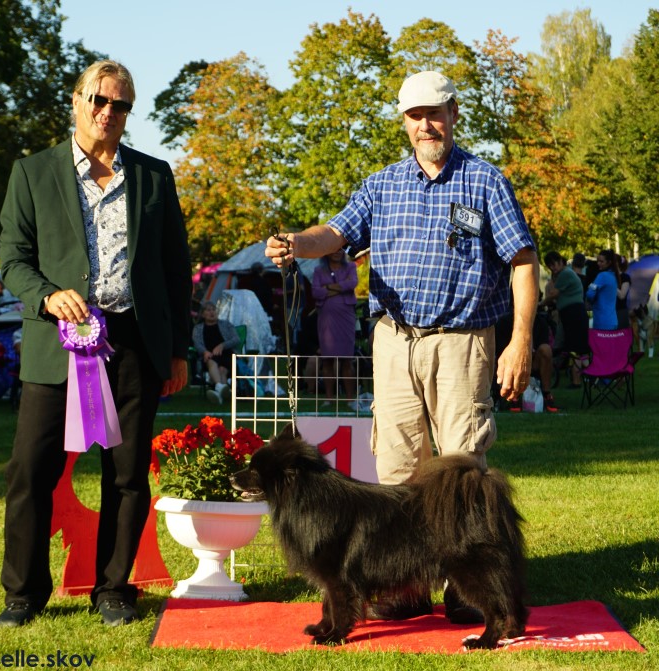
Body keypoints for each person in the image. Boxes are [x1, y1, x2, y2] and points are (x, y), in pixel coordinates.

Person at [266, 70, 539, 623]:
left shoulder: (486, 181)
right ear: (404, 122)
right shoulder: (381, 184)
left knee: (460, 469)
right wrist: (299, 242)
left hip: (462, 341)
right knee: (395, 468)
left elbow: (523, 261)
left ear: (454, 113)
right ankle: (404, 582)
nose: (425, 124)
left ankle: (468, 585)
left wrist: (521, 341)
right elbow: (336, 234)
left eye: (434, 113)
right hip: (393, 341)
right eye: (414, 116)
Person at [0, 59, 193, 628]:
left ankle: (113, 588)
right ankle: (24, 593)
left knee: (128, 475)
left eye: (122, 104)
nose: (109, 112)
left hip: (135, 343)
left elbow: (175, 269)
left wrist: (177, 349)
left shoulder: (154, 176)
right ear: (77, 101)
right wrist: (47, 296)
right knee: (30, 471)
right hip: (56, 347)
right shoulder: (32, 172)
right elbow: (12, 258)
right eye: (99, 100)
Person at [311, 250, 358, 408]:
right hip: (326, 319)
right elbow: (315, 291)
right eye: (334, 250)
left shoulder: (351, 266)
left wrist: (329, 287)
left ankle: (350, 399)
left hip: (346, 317)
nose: (337, 252)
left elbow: (353, 283)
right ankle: (329, 398)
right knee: (327, 360)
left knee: (347, 360)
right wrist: (340, 287)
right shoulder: (319, 270)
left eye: (340, 250)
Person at [539, 252, 589, 387]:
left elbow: (553, 294)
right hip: (572, 313)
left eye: (555, 264)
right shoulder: (564, 274)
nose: (553, 267)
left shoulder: (565, 274)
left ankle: (577, 381)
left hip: (574, 313)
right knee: (578, 348)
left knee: (575, 348)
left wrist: (539, 304)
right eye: (550, 266)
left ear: (561, 261)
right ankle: (586, 378)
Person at [192, 301, 240, 404]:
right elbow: (196, 343)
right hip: (209, 355)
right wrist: (204, 351)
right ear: (203, 314)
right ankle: (221, 389)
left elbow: (236, 339)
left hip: (227, 354)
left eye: (213, 310)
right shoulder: (198, 328)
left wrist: (222, 345)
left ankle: (218, 393)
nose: (212, 312)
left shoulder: (226, 324)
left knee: (222, 369)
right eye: (208, 310)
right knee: (211, 361)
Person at [587, 249, 620, 330]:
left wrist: (590, 287)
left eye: (601, 262)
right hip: (613, 320)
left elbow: (589, 294)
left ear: (609, 262)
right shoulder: (614, 276)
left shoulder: (602, 276)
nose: (598, 264)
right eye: (598, 261)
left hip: (602, 321)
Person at [616, 255, 631, 329]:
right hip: (609, 312)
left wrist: (612, 284)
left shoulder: (625, 277)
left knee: (621, 337)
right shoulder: (607, 276)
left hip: (620, 311)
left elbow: (622, 295)